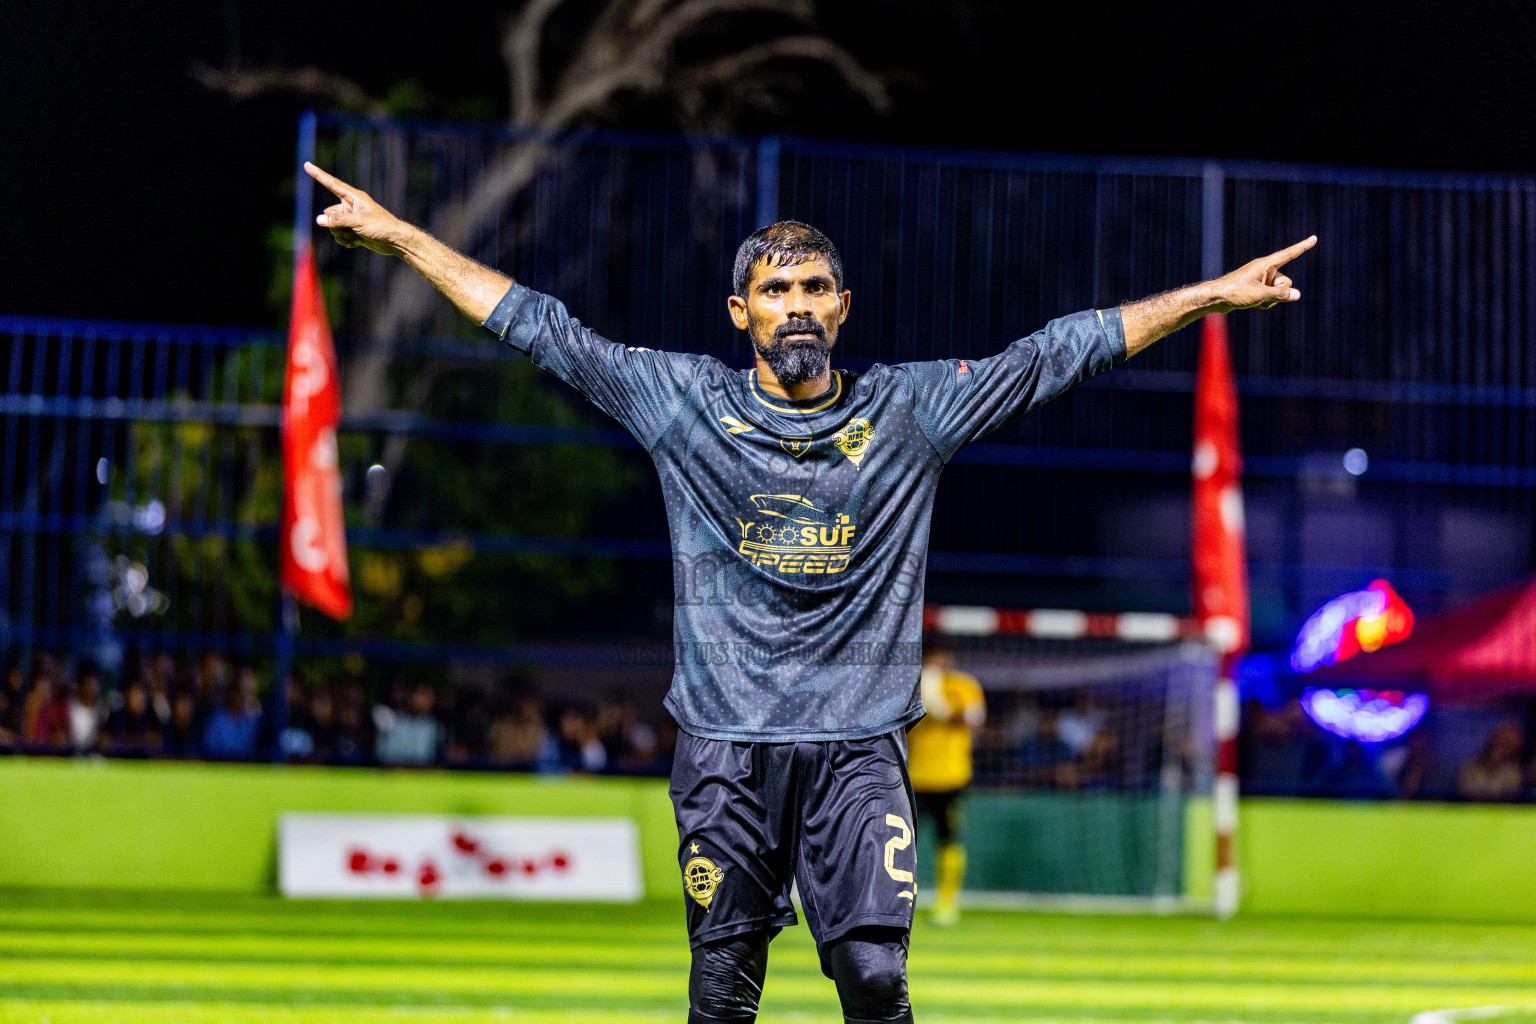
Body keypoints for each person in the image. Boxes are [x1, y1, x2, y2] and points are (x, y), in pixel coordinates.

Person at [304, 160, 1312, 1024]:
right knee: (723, 990)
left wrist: (1205, 298)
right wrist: (403, 239)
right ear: (741, 311)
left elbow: (1054, 352)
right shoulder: (681, 402)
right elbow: (544, 328)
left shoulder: (911, 411)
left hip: (859, 746)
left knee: (874, 976)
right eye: (776, 291)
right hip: (726, 747)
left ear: (842, 308)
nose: (798, 306)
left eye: (816, 288)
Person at [906, 643, 985, 927]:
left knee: (948, 838)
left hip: (951, 777)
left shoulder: (964, 686)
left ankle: (947, 903)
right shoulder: (907, 685)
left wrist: (938, 700)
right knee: (902, 842)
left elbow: (972, 722)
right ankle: (897, 899)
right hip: (913, 777)